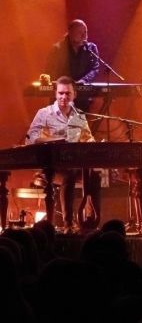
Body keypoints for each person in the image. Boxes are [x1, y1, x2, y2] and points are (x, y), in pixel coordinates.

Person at [26, 76, 95, 232]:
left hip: (75, 165)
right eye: (60, 93)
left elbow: (88, 138)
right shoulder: (44, 113)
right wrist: (56, 139)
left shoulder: (78, 116)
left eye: (67, 93)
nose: (64, 97)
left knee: (94, 176)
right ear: (55, 94)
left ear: (74, 94)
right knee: (68, 176)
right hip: (50, 168)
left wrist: (93, 143)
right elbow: (30, 138)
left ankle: (91, 222)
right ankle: (68, 224)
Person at [45, 19, 100, 111]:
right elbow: (49, 71)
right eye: (80, 32)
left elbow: (95, 68)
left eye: (85, 32)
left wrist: (83, 80)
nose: (84, 36)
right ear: (70, 32)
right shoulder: (57, 49)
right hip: (62, 96)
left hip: (82, 97)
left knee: (80, 119)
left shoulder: (91, 48)